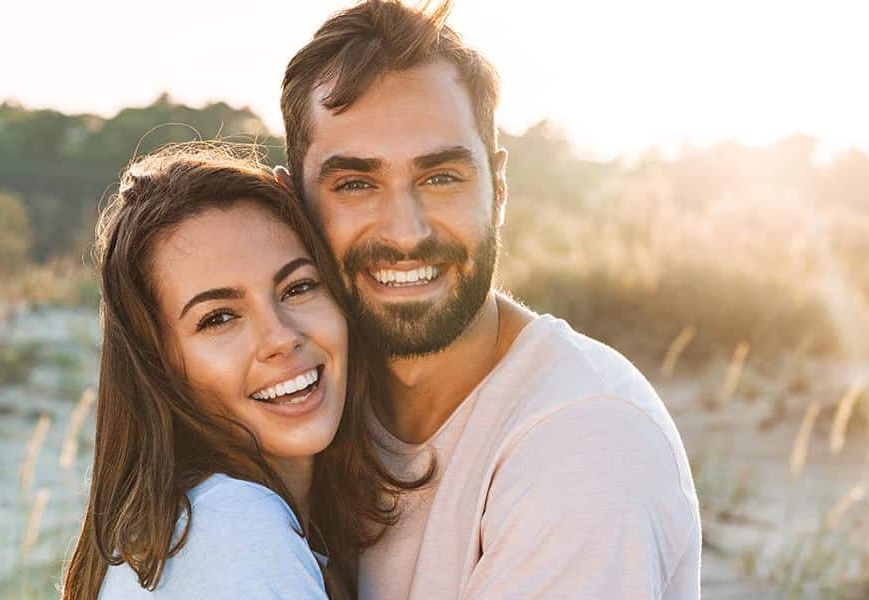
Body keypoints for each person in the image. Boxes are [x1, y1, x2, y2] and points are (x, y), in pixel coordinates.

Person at [277, 1, 702, 598]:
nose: (405, 232)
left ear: (498, 188)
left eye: (441, 177)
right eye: (355, 184)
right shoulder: (303, 402)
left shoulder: (587, 449)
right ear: (292, 203)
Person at [61, 145, 428, 599]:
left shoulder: (184, 527)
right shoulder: (234, 530)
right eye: (219, 318)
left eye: (299, 287)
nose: (280, 337)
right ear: (159, 365)